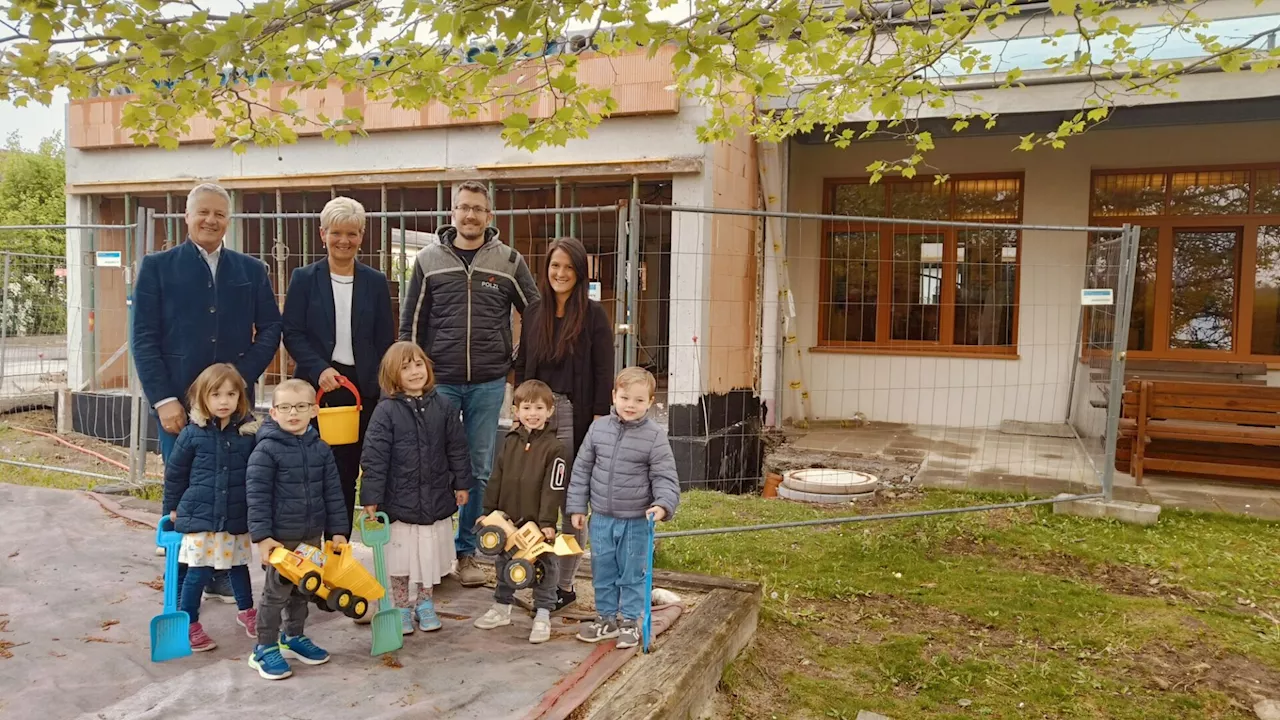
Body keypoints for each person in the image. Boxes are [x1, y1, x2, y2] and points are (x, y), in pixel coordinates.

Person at [133, 182, 282, 603]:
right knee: (185, 489)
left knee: (233, 485)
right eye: (203, 212)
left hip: (234, 408)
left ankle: (221, 571)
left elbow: (271, 327)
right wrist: (163, 400)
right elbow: (143, 337)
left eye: (219, 214)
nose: (211, 220)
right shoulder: (158, 267)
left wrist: (242, 376)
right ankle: (180, 577)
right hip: (179, 406)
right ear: (186, 216)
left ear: (228, 221)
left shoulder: (250, 270)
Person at [399, 180, 539, 587]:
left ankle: (466, 551)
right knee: (436, 466)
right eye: (464, 208)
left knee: (478, 469)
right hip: (437, 382)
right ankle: (435, 554)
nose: (471, 215)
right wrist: (408, 373)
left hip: (488, 382)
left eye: (478, 208)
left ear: (489, 215)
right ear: (453, 213)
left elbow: (535, 312)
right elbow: (410, 320)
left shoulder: (509, 261)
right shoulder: (427, 259)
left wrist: (517, 361)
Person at [282, 196, 394, 538]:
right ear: (322, 234)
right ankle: (307, 541)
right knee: (314, 469)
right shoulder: (304, 278)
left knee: (348, 471)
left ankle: (340, 543)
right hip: (319, 390)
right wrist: (319, 369)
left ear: (362, 236)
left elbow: (385, 336)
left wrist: (382, 383)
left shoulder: (375, 282)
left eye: (352, 233)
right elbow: (293, 331)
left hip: (362, 392)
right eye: (336, 233)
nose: (343, 240)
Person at [513, 236, 614, 611]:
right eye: (555, 266)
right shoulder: (535, 312)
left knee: (571, 500)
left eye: (569, 267)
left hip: (573, 415)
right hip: (537, 414)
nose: (560, 273)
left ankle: (566, 586)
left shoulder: (594, 315)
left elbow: (604, 371)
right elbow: (523, 364)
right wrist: (521, 406)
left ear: (580, 273)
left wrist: (600, 419)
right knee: (537, 499)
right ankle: (540, 575)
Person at [358, 342, 470, 635]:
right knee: (401, 559)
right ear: (393, 374)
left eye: (418, 364)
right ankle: (400, 607)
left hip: (434, 499)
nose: (414, 371)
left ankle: (424, 603)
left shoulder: (443, 406)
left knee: (427, 555)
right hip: (399, 503)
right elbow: (374, 457)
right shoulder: (385, 412)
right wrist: (371, 497)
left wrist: (461, 482)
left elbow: (457, 447)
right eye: (405, 367)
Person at [567, 367, 680, 649]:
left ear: (650, 402)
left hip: (636, 521)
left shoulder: (654, 436)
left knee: (632, 571)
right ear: (614, 396)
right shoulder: (598, 428)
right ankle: (606, 618)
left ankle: (630, 620)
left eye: (639, 400)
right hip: (602, 518)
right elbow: (581, 470)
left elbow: (665, 476)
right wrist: (577, 507)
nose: (630, 405)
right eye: (625, 397)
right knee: (602, 569)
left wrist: (663, 505)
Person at [245, 379, 349, 681]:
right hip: (280, 538)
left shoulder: (321, 449)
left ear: (314, 410)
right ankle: (264, 646)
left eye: (301, 406)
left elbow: (333, 492)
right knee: (275, 593)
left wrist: (337, 531)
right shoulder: (266, 451)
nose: (294, 413)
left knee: (305, 589)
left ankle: (293, 637)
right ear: (273, 413)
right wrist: (262, 538)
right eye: (286, 407)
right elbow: (257, 496)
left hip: (311, 535)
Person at [161, 363, 260, 652]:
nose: (224, 401)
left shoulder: (247, 435)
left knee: (238, 566)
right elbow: (175, 474)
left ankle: (247, 612)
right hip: (199, 516)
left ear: (240, 398)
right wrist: (171, 510)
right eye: (216, 394)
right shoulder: (192, 435)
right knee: (198, 572)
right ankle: (189, 620)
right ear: (202, 398)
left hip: (234, 515)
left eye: (230, 394)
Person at [472, 379, 570, 644]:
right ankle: (502, 607)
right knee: (505, 563)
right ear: (516, 411)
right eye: (526, 408)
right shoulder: (510, 442)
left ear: (550, 411)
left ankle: (542, 614)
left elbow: (554, 487)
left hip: (538, 524)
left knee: (545, 568)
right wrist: (489, 511)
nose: (533, 414)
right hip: (508, 520)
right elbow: (496, 477)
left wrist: (548, 521)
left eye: (539, 408)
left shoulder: (556, 449)